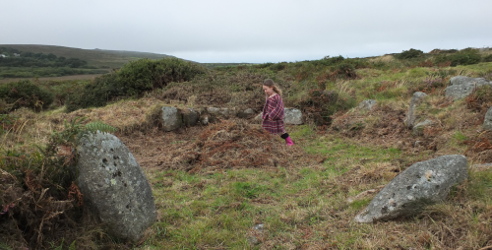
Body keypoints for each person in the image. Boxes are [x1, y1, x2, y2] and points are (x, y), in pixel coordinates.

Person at [261, 79, 294, 146]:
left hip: (276, 119)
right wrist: (266, 115)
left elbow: (279, 108)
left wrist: (272, 115)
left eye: (266, 89)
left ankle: (290, 142)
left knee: (281, 131)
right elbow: (267, 108)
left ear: (271, 87)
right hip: (269, 119)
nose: (265, 91)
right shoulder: (268, 97)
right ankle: (271, 143)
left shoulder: (277, 97)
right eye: (264, 90)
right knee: (268, 131)